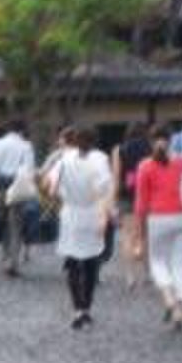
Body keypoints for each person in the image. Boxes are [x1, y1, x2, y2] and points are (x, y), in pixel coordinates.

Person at [47, 126, 113, 329]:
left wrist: (60, 200)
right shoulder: (100, 159)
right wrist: (105, 214)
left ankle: (77, 309)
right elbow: (104, 188)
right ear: (95, 142)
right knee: (91, 263)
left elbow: (51, 186)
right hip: (92, 213)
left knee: (73, 263)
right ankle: (86, 308)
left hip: (70, 214)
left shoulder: (64, 159)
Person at [134, 123, 182, 330]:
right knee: (180, 263)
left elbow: (141, 203)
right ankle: (181, 308)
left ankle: (170, 302)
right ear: (172, 140)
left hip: (158, 218)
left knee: (158, 262)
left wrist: (139, 233)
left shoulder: (145, 166)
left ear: (151, 142)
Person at [0, 119, 36, 278]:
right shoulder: (25, 146)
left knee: (3, 223)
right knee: (16, 224)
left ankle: (5, 256)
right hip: (17, 186)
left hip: (0, 186)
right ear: (21, 131)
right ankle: (13, 262)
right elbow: (29, 169)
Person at [110, 121, 151, 291]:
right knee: (145, 234)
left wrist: (113, 200)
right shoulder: (150, 148)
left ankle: (130, 276)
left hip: (127, 195)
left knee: (127, 236)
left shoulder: (119, 150)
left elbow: (117, 177)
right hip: (148, 194)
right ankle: (147, 273)